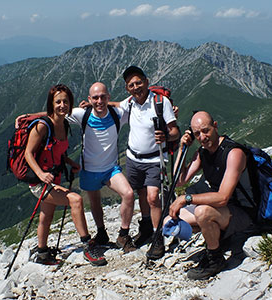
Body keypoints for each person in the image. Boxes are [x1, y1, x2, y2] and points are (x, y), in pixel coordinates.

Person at [24, 84, 106, 266]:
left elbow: (57, 151)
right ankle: (87, 246)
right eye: (58, 102)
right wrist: (41, 174)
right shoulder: (42, 126)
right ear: (51, 104)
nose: (62, 105)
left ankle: (43, 253)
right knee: (75, 200)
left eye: (66, 102)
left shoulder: (64, 124)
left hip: (53, 177)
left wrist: (70, 163)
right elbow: (28, 153)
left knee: (46, 216)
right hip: (40, 182)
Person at [167, 111, 255, 280]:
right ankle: (217, 234)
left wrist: (186, 199)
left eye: (205, 130)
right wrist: (182, 149)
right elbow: (179, 180)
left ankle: (215, 258)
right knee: (171, 219)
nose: (202, 137)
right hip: (224, 210)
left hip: (244, 212)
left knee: (202, 212)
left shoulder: (233, 153)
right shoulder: (203, 152)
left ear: (215, 126)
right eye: (197, 134)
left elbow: (223, 197)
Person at [111, 66, 180, 259]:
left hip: (154, 158)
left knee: (152, 197)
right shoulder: (130, 103)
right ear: (127, 89)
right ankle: (147, 226)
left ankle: (158, 237)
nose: (136, 87)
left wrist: (165, 135)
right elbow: (116, 105)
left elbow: (175, 132)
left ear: (147, 82)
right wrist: (94, 104)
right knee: (141, 193)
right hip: (133, 158)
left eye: (139, 83)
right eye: (131, 85)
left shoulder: (160, 102)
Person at [67, 82, 136, 252]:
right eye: (95, 98)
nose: (99, 101)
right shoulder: (82, 114)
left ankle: (123, 234)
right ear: (89, 99)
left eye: (103, 97)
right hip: (89, 169)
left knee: (128, 194)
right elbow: (56, 114)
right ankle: (101, 233)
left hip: (110, 169)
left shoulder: (117, 113)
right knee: (95, 203)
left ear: (108, 98)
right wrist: (28, 116)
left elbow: (137, 106)